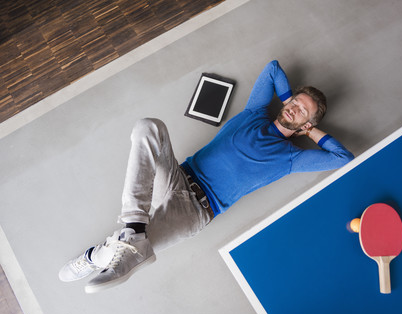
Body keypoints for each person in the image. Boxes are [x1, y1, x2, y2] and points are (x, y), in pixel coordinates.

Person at [59, 60, 354, 293]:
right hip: (177, 176)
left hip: (195, 210)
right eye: (295, 102)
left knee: (136, 246)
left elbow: (343, 158)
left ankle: (94, 257)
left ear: (307, 123)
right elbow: (273, 68)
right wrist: (291, 100)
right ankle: (129, 231)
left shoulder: (291, 158)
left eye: (303, 110)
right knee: (149, 126)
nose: (294, 107)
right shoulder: (255, 112)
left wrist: (310, 130)